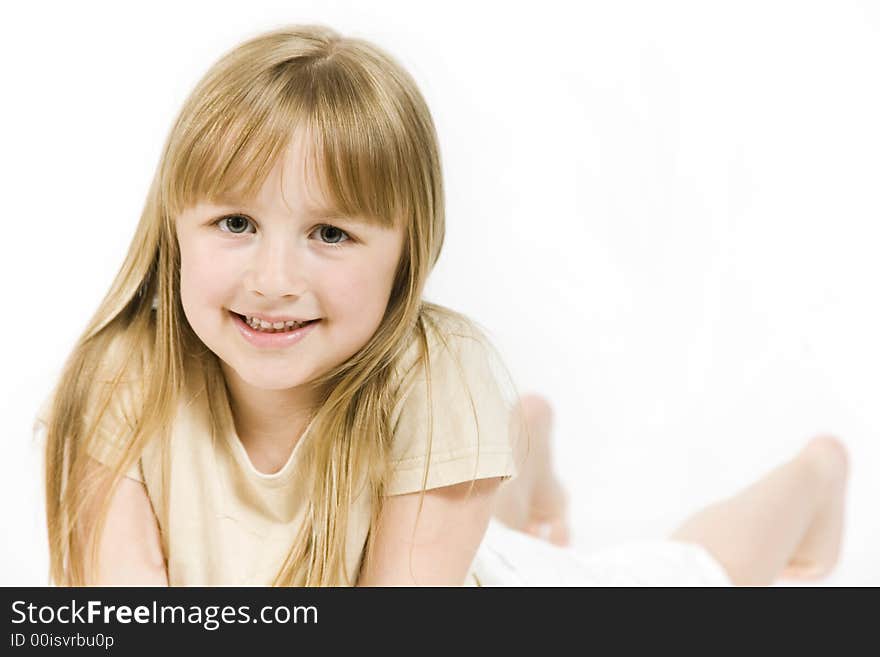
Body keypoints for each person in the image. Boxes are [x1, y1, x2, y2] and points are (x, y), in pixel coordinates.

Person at [34, 24, 849, 587]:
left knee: (683, 582)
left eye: (330, 232)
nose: (273, 277)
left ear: (406, 255)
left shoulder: (435, 378)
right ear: (175, 227)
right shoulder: (121, 377)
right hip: (424, 533)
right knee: (473, 509)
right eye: (236, 222)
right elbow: (123, 610)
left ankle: (813, 478)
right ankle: (516, 472)